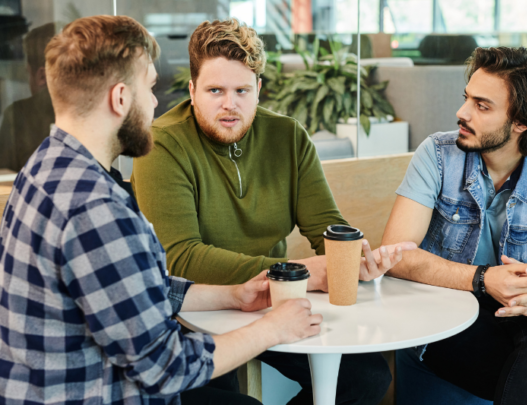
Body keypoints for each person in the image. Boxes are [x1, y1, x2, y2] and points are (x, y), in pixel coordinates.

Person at [0, 15, 323, 405]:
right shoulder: (97, 210)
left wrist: (233, 295)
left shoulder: (44, 166)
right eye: (150, 88)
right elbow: (165, 370)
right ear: (120, 98)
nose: (156, 103)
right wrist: (272, 329)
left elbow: (130, 287)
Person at [131, 18, 415, 405]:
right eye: (215, 90)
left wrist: (355, 256)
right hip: (195, 312)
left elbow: (326, 225)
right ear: (193, 90)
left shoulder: (287, 136)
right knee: (230, 395)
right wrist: (295, 274)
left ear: (259, 89)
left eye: (241, 90)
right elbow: (179, 257)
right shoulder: (162, 144)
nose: (229, 104)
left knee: (365, 377)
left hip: (272, 301)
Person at [382, 47, 527, 405]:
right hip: (440, 315)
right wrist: (483, 279)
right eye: (467, 99)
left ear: (520, 122)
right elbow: (396, 256)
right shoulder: (438, 156)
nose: (462, 113)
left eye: (482, 106)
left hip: (508, 321)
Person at [0, 23, 56, 172]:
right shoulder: (84, 112)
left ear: (42, 76)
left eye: (27, 73)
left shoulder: (16, 114)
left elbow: (4, 173)